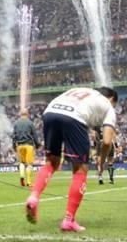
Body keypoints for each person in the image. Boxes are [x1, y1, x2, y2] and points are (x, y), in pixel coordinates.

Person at [25, 86, 118, 232]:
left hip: (50, 112)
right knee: (80, 169)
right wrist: (101, 161)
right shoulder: (108, 107)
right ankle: (69, 220)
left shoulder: (83, 90)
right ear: (112, 99)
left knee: (52, 162)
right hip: (74, 117)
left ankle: (34, 196)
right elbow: (107, 141)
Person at [12, 109, 38, 188]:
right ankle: (29, 182)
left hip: (20, 146)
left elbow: (14, 136)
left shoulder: (16, 123)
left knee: (22, 163)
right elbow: (34, 135)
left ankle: (22, 176)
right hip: (29, 145)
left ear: (20, 114)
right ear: (27, 114)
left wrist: (14, 146)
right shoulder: (30, 123)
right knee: (29, 164)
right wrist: (37, 144)